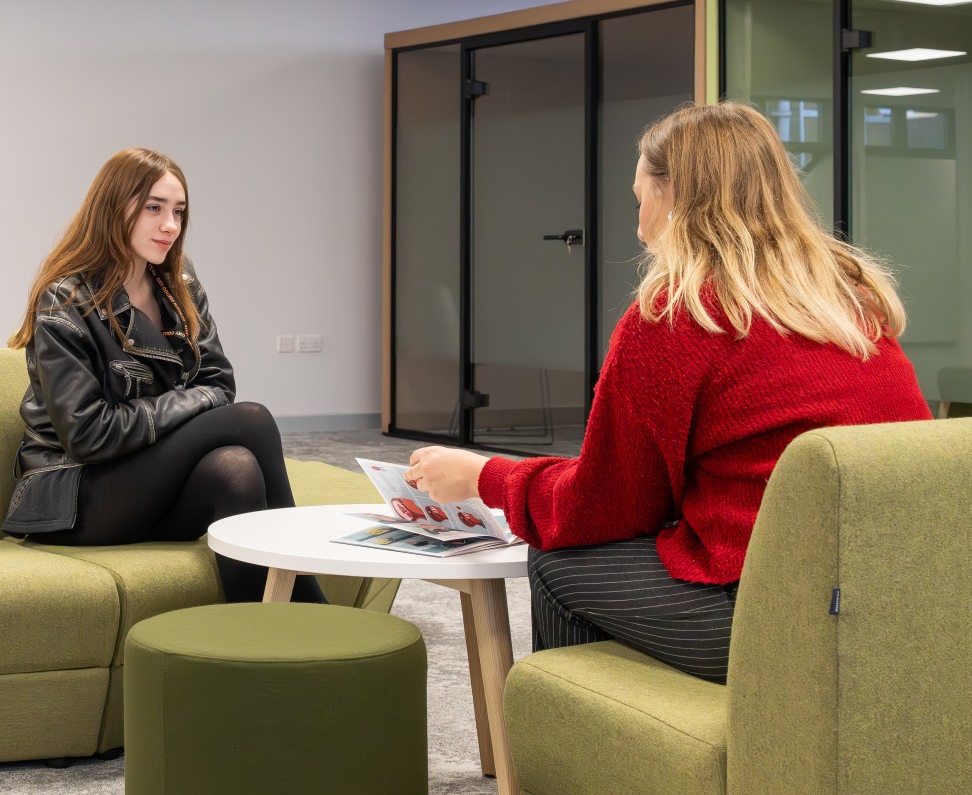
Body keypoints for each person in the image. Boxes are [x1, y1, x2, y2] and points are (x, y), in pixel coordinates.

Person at [405, 101, 931, 683]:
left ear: (673, 197)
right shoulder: (849, 301)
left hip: (775, 619)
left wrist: (483, 477)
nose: (637, 227)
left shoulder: (680, 314)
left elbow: (600, 509)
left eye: (640, 200)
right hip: (901, 603)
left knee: (560, 559)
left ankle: (579, 757)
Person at [3, 147, 325, 604]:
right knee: (250, 419)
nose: (170, 225)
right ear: (114, 207)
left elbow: (219, 381)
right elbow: (90, 436)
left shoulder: (180, 283)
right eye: (154, 207)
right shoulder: (65, 299)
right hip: (75, 494)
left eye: (178, 211)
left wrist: (196, 406)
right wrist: (196, 404)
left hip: (144, 481)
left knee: (236, 471)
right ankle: (314, 607)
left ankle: (263, 641)